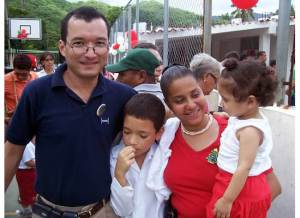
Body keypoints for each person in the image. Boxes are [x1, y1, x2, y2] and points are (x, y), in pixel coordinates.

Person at [5, 6, 136, 218]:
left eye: (99, 43)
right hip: (46, 211)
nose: (90, 53)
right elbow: (13, 149)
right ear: (62, 47)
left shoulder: (124, 97)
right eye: (79, 43)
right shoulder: (37, 92)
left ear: (107, 47)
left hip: (103, 210)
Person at [146, 65, 281, 218]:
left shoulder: (233, 133)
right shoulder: (167, 137)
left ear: (202, 90)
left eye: (195, 94)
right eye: (179, 100)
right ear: (169, 104)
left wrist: (245, 211)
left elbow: (273, 186)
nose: (191, 104)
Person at [206, 59, 280, 218]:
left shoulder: (249, 132)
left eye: (225, 99)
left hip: (240, 190)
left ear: (250, 102)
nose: (221, 103)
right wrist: (224, 115)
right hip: (232, 183)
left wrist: (227, 199)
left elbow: (244, 167)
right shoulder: (242, 117)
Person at [110, 93, 165, 218]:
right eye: (127, 132)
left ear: (159, 132)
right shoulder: (114, 157)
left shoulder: (163, 156)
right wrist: (119, 175)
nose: (132, 140)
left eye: (143, 135)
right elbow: (122, 211)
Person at [5, 54, 38, 126]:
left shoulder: (35, 78)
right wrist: (5, 119)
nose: (20, 76)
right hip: (13, 121)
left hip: (32, 121)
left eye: (24, 74)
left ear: (30, 69)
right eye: (17, 73)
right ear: (14, 68)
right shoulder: (5, 80)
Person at [15, 142, 36, 218]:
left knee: (28, 194)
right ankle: (28, 213)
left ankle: (27, 212)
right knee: (27, 194)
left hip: (27, 172)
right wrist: (42, 164)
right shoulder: (27, 144)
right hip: (26, 173)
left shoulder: (29, 143)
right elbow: (28, 162)